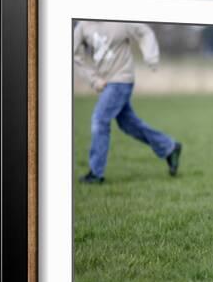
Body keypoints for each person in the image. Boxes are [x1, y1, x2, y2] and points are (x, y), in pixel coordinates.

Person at [74, 21, 182, 184]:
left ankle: (96, 173)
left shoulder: (120, 20)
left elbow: (144, 32)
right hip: (105, 82)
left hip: (122, 79)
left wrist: (151, 57)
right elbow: (75, 56)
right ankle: (169, 147)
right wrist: (93, 80)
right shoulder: (82, 26)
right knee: (128, 124)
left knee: (100, 119)